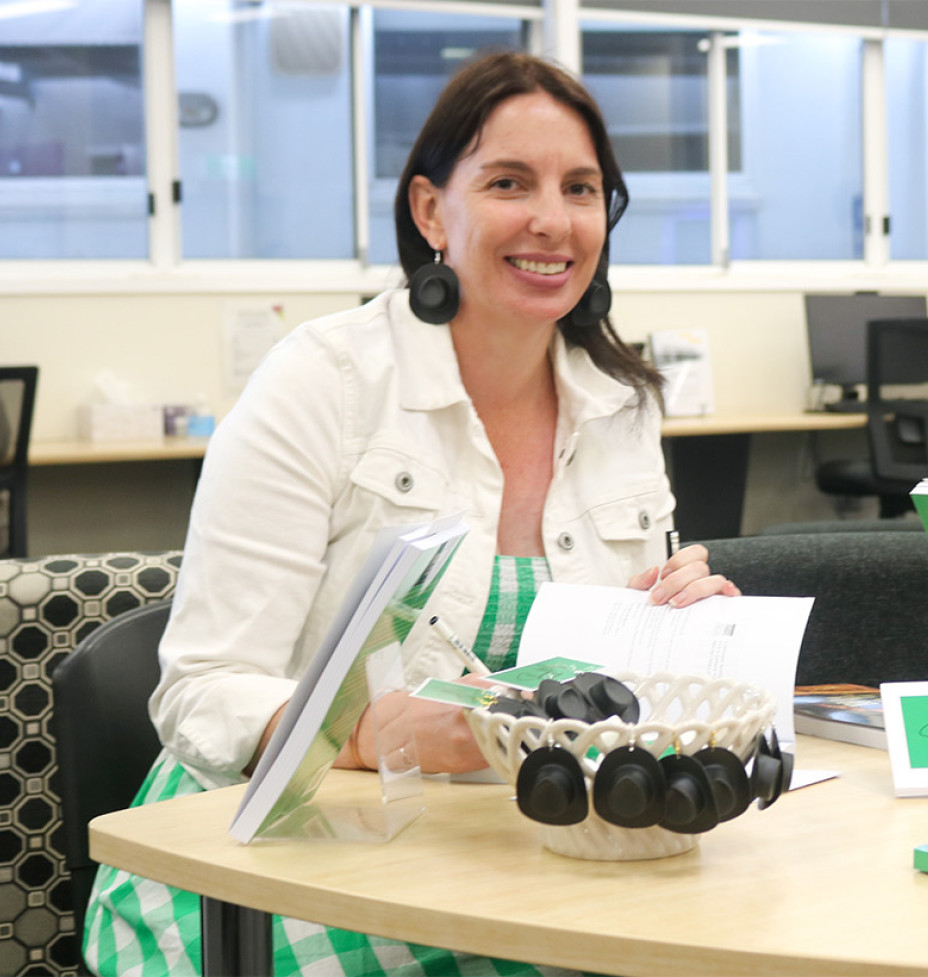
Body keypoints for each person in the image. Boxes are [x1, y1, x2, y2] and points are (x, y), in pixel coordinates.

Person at [83, 51, 738, 977]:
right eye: (510, 182)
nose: (552, 220)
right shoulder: (324, 381)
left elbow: (598, 695)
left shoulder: (622, 403)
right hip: (279, 856)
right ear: (432, 209)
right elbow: (203, 687)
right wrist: (357, 731)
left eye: (582, 189)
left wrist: (673, 630)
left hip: (520, 851)